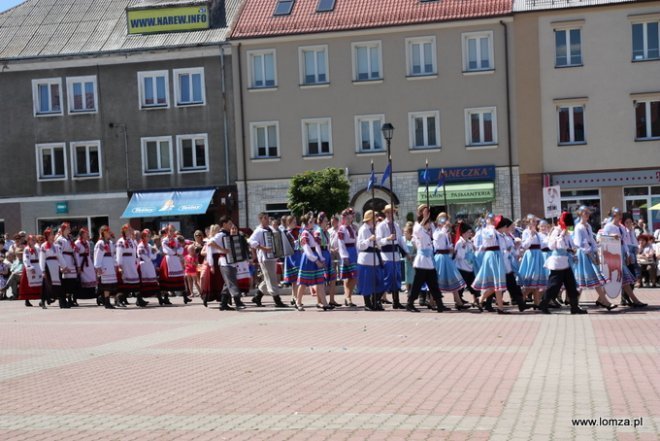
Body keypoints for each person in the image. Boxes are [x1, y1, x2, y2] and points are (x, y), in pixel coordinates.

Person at [538, 212, 587, 315]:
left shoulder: (567, 231)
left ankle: (574, 307)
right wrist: (560, 236)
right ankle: (544, 303)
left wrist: (573, 247)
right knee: (554, 285)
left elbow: (571, 243)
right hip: (557, 262)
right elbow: (551, 246)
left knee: (571, 285)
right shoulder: (556, 231)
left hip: (565, 261)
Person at [572, 206, 617, 310]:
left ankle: (604, 302)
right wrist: (589, 252)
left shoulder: (588, 226)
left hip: (589, 253)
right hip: (583, 254)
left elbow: (592, 240)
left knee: (594, 280)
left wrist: (595, 252)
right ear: (580, 214)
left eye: (588, 213)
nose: (587, 215)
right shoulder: (578, 227)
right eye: (585, 213)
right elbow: (578, 243)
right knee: (583, 281)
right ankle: (575, 304)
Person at [603, 209, 647, 307]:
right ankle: (634, 300)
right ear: (614, 215)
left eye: (620, 214)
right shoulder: (608, 226)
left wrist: (627, 254)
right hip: (613, 255)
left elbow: (624, 241)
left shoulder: (621, 227)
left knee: (622, 278)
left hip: (621, 254)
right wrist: (611, 236)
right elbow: (602, 238)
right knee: (619, 278)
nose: (620, 216)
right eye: (619, 214)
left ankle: (601, 299)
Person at [407, 204, 445, 313]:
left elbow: (435, 233)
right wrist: (424, 218)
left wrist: (429, 218)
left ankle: (439, 304)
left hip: (429, 261)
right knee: (417, 284)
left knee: (433, 283)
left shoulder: (428, 229)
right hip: (422, 262)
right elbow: (417, 232)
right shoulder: (418, 227)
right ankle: (410, 303)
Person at [248, 213, 289, 308]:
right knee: (272, 279)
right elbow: (250, 241)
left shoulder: (271, 229)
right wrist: (263, 248)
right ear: (260, 220)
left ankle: (257, 297)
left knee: (268, 279)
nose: (267, 220)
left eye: (268, 218)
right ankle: (277, 300)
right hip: (265, 258)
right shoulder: (258, 231)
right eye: (265, 218)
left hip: (272, 257)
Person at [432, 213, 470, 311]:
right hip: (440, 258)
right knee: (438, 280)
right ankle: (432, 301)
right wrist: (445, 229)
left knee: (453, 279)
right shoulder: (437, 231)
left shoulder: (445, 233)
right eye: (445, 220)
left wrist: (451, 249)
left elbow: (448, 245)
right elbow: (438, 240)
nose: (447, 222)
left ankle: (458, 302)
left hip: (446, 258)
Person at [208, 216, 246, 311]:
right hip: (225, 262)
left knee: (227, 283)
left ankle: (223, 303)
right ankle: (238, 301)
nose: (231, 225)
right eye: (229, 223)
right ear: (224, 224)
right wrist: (222, 250)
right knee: (232, 282)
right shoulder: (221, 234)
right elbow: (210, 242)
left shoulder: (228, 234)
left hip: (230, 261)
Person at [472, 215, 509, 314]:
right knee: (496, 282)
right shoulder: (485, 231)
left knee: (497, 283)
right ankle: (498, 307)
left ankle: (481, 300)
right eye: (490, 219)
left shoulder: (497, 232)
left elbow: (502, 245)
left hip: (497, 255)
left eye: (493, 220)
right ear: (487, 221)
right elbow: (490, 237)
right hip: (491, 255)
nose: (492, 221)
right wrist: (492, 227)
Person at [376, 205, 407, 310]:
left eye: (392, 212)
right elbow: (379, 241)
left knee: (396, 278)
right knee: (387, 279)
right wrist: (388, 239)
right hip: (386, 255)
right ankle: (377, 299)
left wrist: (406, 252)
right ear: (385, 213)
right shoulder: (381, 226)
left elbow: (401, 240)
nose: (390, 214)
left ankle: (396, 301)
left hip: (395, 254)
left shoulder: (396, 225)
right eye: (388, 212)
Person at [294, 213, 327, 311]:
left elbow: (317, 246)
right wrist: (316, 260)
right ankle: (298, 302)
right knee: (303, 283)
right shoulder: (304, 233)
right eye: (311, 221)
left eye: (313, 221)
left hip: (315, 257)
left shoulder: (312, 232)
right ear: (307, 222)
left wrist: (321, 258)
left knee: (320, 281)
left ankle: (325, 303)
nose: (313, 223)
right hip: (308, 259)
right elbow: (307, 249)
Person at [517, 215, 548, 307]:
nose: (535, 223)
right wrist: (531, 235)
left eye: (535, 221)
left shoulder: (537, 233)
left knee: (537, 283)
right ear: (528, 222)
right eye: (533, 221)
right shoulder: (526, 232)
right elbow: (525, 245)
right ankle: (521, 300)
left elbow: (542, 245)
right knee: (531, 282)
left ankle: (537, 304)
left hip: (538, 255)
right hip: (531, 255)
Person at [357, 210, 385, 311]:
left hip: (375, 258)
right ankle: (367, 303)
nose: (375, 221)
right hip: (366, 259)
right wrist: (369, 240)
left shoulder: (374, 229)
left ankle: (376, 301)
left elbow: (378, 242)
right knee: (367, 282)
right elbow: (360, 245)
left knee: (379, 281)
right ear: (369, 219)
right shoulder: (363, 230)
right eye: (374, 218)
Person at [316, 212, 341, 308]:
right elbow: (317, 245)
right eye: (326, 220)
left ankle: (331, 299)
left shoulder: (326, 232)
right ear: (321, 221)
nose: (327, 222)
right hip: (321, 254)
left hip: (327, 254)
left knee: (333, 277)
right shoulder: (318, 231)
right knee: (320, 279)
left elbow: (328, 244)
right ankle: (319, 301)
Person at [40, 228, 70, 309]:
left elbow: (60, 257)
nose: (53, 236)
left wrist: (65, 266)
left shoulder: (56, 246)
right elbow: (42, 259)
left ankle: (62, 302)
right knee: (47, 285)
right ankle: (43, 301)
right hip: (48, 266)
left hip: (56, 266)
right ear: (47, 236)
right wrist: (42, 270)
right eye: (51, 235)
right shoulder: (43, 246)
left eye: (53, 234)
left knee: (59, 284)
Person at [454, 221, 481, 309]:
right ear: (464, 233)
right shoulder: (460, 243)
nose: (471, 233)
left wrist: (473, 249)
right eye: (469, 232)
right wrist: (464, 249)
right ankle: (458, 302)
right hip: (462, 268)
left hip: (469, 267)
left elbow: (473, 253)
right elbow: (459, 256)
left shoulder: (469, 242)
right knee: (461, 286)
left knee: (473, 284)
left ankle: (477, 300)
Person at [115, 224, 141, 307]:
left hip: (131, 263)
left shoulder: (132, 241)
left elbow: (135, 252)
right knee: (125, 283)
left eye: (130, 230)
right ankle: (119, 299)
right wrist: (119, 265)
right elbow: (119, 254)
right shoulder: (121, 241)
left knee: (135, 282)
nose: (130, 231)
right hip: (125, 263)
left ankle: (139, 299)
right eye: (128, 230)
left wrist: (136, 261)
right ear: (124, 231)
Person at [159, 225, 185, 305]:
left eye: (173, 230)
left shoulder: (176, 240)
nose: (172, 232)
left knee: (178, 277)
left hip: (175, 260)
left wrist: (177, 251)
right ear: (167, 231)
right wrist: (175, 252)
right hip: (168, 260)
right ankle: (166, 297)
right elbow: (166, 250)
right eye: (170, 230)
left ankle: (185, 296)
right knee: (168, 278)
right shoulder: (165, 240)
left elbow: (181, 249)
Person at [337, 208, 358, 307]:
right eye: (348, 217)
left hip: (354, 252)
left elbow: (356, 241)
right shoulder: (341, 229)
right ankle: (348, 297)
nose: (350, 219)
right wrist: (344, 256)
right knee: (349, 276)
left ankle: (348, 296)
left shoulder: (353, 228)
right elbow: (341, 243)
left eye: (351, 217)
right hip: (347, 252)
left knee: (353, 276)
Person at [55, 222, 79, 307]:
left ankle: (69, 299)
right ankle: (63, 300)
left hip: (70, 260)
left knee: (71, 282)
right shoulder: (60, 240)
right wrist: (61, 266)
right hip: (64, 259)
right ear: (64, 229)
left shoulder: (69, 238)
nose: (69, 229)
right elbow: (59, 253)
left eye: (69, 228)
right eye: (68, 228)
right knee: (64, 282)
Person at [94, 226, 118, 309]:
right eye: (107, 232)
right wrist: (98, 266)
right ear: (103, 233)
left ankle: (104, 299)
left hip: (110, 265)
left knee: (110, 285)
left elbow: (114, 254)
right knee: (106, 285)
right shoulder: (100, 243)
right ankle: (107, 302)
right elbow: (98, 255)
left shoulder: (110, 243)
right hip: (104, 264)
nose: (109, 233)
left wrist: (115, 264)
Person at [18, 235, 45, 308]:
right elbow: (25, 259)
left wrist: (42, 266)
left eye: (34, 239)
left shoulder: (37, 248)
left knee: (40, 283)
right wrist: (29, 267)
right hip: (30, 266)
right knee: (27, 284)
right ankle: (27, 299)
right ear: (28, 241)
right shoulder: (26, 249)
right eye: (31, 239)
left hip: (38, 266)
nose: (33, 241)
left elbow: (41, 256)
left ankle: (42, 299)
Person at [74, 228, 98, 301]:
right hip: (81, 262)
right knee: (82, 277)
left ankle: (91, 294)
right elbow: (76, 254)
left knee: (91, 276)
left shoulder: (87, 242)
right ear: (82, 234)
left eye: (87, 233)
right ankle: (81, 295)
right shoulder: (77, 243)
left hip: (88, 261)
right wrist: (78, 265)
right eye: (86, 233)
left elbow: (89, 253)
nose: (87, 234)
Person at [136, 229, 159, 307]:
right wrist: (150, 257)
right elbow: (142, 256)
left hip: (149, 265)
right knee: (143, 282)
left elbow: (153, 256)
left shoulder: (149, 245)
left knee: (152, 281)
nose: (149, 238)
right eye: (147, 236)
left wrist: (154, 252)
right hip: (143, 265)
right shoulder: (140, 245)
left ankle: (158, 297)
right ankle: (139, 299)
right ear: (143, 237)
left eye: (149, 236)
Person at [282, 216, 301, 306]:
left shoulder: (298, 231)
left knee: (296, 278)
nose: (295, 223)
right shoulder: (285, 233)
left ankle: (294, 296)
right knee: (294, 279)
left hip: (297, 255)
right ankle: (294, 297)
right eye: (293, 222)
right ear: (288, 223)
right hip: (290, 256)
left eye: (295, 221)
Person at [403, 222, 415, 295]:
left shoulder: (414, 241)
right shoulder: (404, 241)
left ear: (410, 233)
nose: (404, 233)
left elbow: (417, 251)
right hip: (407, 261)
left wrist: (413, 256)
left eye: (406, 232)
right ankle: (408, 289)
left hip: (413, 261)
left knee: (413, 276)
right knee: (407, 276)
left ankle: (413, 290)